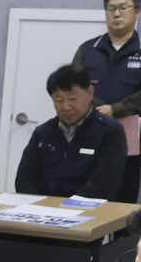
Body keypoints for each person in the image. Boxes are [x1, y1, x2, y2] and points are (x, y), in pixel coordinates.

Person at [72, 0, 141, 203]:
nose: (117, 13)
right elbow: (75, 87)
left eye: (123, 7)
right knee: (85, 201)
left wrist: (115, 110)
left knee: (122, 206)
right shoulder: (88, 49)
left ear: (137, 11)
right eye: (111, 8)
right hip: (88, 135)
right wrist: (97, 110)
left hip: (127, 140)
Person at [14, 65, 126, 198]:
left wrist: (65, 208)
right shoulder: (43, 133)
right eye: (59, 100)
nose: (66, 107)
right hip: (41, 211)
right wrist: (36, 206)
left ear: (90, 93)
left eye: (72, 99)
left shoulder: (110, 131)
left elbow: (102, 187)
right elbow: (24, 178)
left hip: (89, 211)